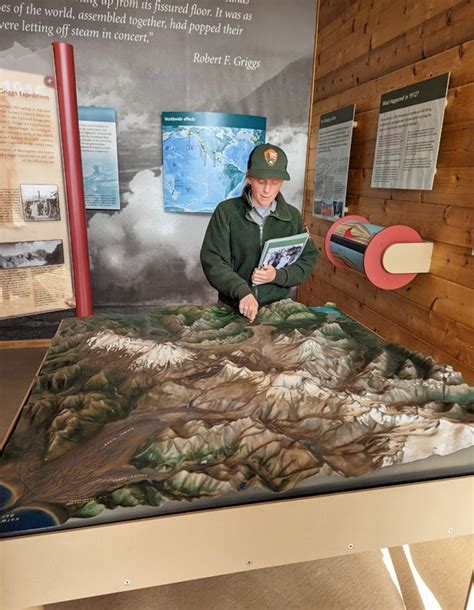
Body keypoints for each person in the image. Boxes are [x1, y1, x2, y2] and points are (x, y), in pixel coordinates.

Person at [200, 143, 318, 322]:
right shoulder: (226, 212)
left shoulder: (292, 216)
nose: (267, 190)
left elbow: (308, 258)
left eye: (275, 183)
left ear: (283, 182)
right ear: (249, 178)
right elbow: (213, 260)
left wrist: (278, 276)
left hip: (277, 309)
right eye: (261, 181)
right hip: (233, 307)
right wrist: (242, 291)